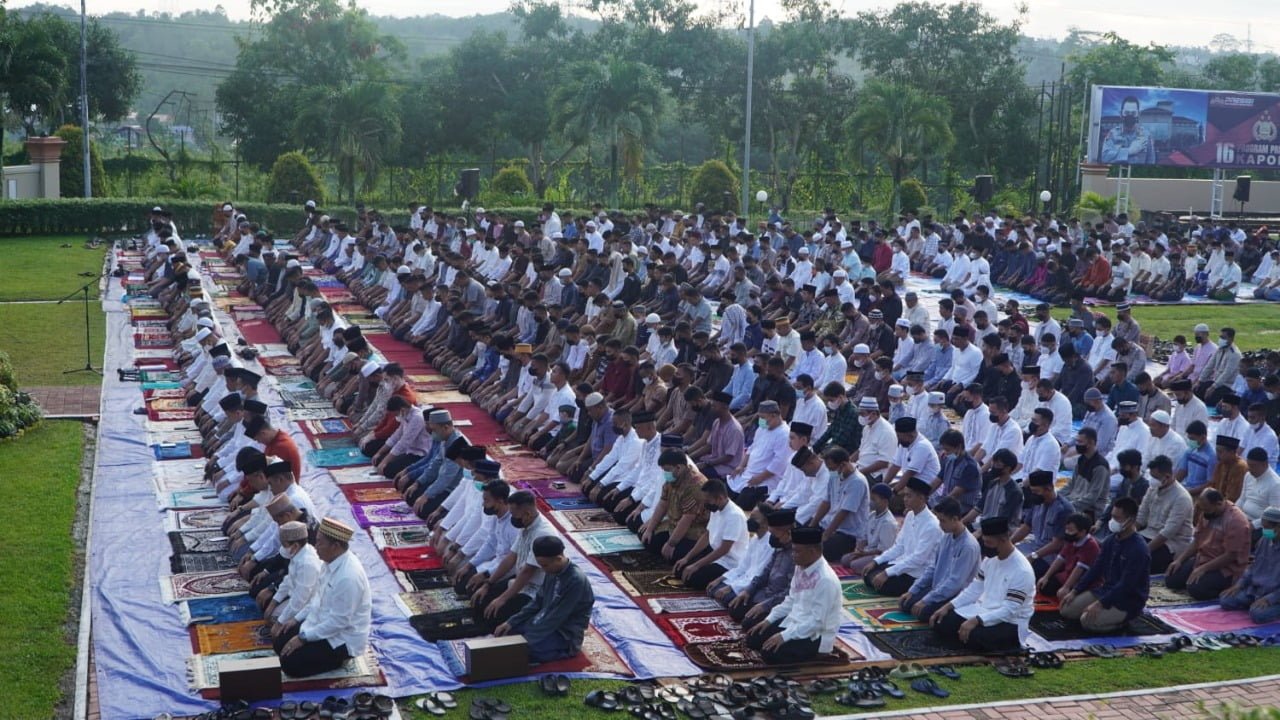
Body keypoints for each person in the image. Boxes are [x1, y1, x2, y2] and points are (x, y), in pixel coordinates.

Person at [272, 518, 372, 677]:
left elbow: (338, 622)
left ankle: (340, 660)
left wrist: (303, 638)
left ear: (335, 546)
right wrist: (296, 619)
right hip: (320, 622)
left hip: (341, 637)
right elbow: (316, 599)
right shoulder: (328, 562)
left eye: (319, 543)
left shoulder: (348, 577)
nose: (315, 546)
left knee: (290, 664)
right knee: (280, 640)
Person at [929, 516, 1035, 654]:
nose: (986, 547)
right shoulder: (990, 559)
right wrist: (948, 606)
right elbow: (974, 589)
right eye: (984, 542)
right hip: (983, 609)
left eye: (989, 543)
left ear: (1003, 539)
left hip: (1010, 621)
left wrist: (977, 620)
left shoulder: (1022, 570)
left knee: (975, 637)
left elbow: (1010, 609)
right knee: (943, 621)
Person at [745, 526, 844, 664]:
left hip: (815, 634)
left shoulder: (826, 580)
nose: (793, 555)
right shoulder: (801, 566)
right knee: (753, 637)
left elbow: (817, 622)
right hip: (794, 621)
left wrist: (784, 636)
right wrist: (769, 620)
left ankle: (816, 655)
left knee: (770, 654)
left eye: (797, 551)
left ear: (812, 551)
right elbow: (790, 600)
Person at [495, 536, 595, 663]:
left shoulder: (576, 581)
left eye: (545, 565)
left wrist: (526, 641)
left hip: (563, 632)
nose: (542, 569)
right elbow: (538, 601)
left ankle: (566, 650)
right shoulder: (552, 571)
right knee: (507, 631)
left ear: (559, 559)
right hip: (543, 620)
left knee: (524, 651)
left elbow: (557, 617)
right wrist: (511, 621)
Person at [1060, 497, 1151, 633]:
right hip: (1105, 590)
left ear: (1130, 520)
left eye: (1117, 518)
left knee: (1087, 621)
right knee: (1066, 610)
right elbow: (1096, 568)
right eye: (1112, 517)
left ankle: (1123, 622)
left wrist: (1100, 604)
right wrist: (1075, 591)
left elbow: (1127, 585)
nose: (1112, 521)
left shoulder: (1138, 549)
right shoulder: (1110, 540)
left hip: (1127, 600)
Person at [900, 497, 980, 621]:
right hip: (938, 587)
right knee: (906, 603)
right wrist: (913, 590)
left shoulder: (968, 546)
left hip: (956, 594)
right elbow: (933, 567)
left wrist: (926, 600)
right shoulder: (946, 537)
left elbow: (955, 583)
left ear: (955, 519)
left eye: (942, 521)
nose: (940, 525)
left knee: (923, 613)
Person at [1165, 490, 1252, 601]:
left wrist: (1203, 569)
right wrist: (1180, 560)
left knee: (1196, 589)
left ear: (1218, 504)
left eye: (1206, 509)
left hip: (1226, 567)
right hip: (1203, 559)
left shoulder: (1236, 521)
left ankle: (1226, 588)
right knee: (1171, 579)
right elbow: (1197, 541)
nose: (1204, 512)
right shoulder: (1207, 513)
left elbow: (1231, 556)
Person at [864, 477, 943, 595]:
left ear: (921, 498)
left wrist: (887, 572)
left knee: (882, 583)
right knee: (869, 573)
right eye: (905, 495)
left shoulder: (932, 525)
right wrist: (876, 561)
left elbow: (918, 559)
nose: (905, 499)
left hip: (916, 573)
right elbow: (899, 546)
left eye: (909, 496)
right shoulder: (910, 515)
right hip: (902, 564)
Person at [676, 479, 750, 590]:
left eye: (707, 501)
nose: (705, 504)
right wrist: (687, 558)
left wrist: (696, 565)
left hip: (730, 562)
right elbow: (707, 535)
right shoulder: (717, 509)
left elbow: (724, 549)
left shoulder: (734, 516)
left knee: (692, 578)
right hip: (715, 553)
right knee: (680, 569)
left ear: (720, 498)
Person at [1219, 507, 1280, 624]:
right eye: (1263, 527)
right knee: (1226, 600)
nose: (1264, 531)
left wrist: (1269, 599)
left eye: (1267, 527)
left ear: (1278, 527)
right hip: (1257, 589)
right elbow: (1253, 567)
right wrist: (1239, 585)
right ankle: (1255, 602)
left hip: (1275, 594)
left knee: (1258, 614)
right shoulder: (1264, 540)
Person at [1137, 454, 1195, 574]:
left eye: (1155, 478)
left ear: (1167, 476)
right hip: (1149, 533)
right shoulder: (1152, 489)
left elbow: (1168, 532)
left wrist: (1143, 551)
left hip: (1171, 543)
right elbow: (1141, 516)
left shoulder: (1181, 498)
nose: (1153, 481)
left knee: (1142, 560)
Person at [1014, 471, 1075, 578]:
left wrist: (1033, 556)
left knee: (1020, 572)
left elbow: (1057, 544)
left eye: (1036, 491)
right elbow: (1026, 527)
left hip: (1051, 558)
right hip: (1034, 548)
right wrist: (1009, 543)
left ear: (1049, 488)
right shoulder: (1037, 504)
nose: (1034, 495)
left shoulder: (1064, 510)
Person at [839, 482, 899, 574]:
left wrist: (864, 554)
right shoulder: (872, 515)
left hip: (878, 555)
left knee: (854, 565)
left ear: (885, 501)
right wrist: (859, 549)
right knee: (845, 560)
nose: (871, 502)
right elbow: (864, 537)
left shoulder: (888, 523)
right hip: (867, 551)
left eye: (874, 499)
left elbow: (883, 550)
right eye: (871, 498)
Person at [1037, 513, 1100, 598]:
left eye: (1071, 530)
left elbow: (1079, 569)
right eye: (1066, 529)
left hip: (1081, 581)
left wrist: (1066, 587)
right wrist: (1046, 576)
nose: (1067, 532)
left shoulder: (1091, 545)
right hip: (1066, 575)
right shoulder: (1072, 540)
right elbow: (1060, 558)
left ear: (1082, 532)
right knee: (1044, 585)